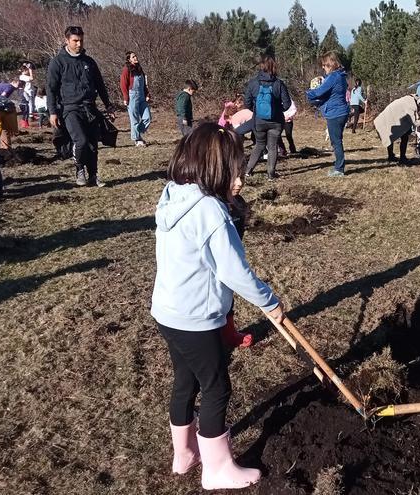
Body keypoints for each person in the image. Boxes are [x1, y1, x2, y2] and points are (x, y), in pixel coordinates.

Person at [151, 123, 284, 490]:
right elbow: (234, 272)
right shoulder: (210, 211)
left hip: (168, 312)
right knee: (216, 387)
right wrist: (270, 303)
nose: (240, 180)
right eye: (235, 171)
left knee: (185, 381)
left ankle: (185, 455)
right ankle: (218, 469)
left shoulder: (174, 195)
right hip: (196, 318)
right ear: (214, 169)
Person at [47, 26, 116, 187]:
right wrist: (52, 112)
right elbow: (51, 88)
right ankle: (79, 169)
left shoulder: (89, 62)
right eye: (75, 41)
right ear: (67, 40)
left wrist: (108, 105)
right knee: (81, 141)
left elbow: (100, 85)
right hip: (69, 108)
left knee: (92, 143)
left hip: (89, 107)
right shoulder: (57, 62)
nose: (79, 44)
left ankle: (93, 175)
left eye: (81, 40)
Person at [244, 55, 292, 181]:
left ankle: (248, 171)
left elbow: (247, 104)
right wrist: (276, 110)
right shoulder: (279, 84)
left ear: (261, 66)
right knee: (272, 147)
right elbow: (287, 105)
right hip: (276, 122)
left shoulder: (253, 83)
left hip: (258, 121)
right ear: (273, 67)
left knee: (259, 145)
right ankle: (271, 174)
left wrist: (257, 111)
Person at [306, 51, 350, 177]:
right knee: (337, 141)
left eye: (324, 65)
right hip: (341, 111)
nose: (323, 68)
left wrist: (309, 93)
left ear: (330, 64)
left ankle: (339, 169)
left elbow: (319, 92)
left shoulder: (333, 77)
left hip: (335, 113)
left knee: (336, 141)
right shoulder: (341, 76)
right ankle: (338, 165)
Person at [373, 93, 420, 164]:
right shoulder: (411, 107)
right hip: (389, 117)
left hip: (394, 115)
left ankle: (395, 156)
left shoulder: (415, 100)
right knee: (397, 135)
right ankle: (401, 158)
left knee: (400, 133)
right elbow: (414, 123)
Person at [120, 51, 152, 147]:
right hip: (132, 96)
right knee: (134, 119)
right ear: (129, 59)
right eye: (133, 57)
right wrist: (126, 98)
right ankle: (137, 139)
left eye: (136, 56)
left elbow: (144, 85)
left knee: (147, 117)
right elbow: (123, 84)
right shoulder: (126, 69)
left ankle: (137, 131)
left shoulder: (139, 69)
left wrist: (147, 94)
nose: (135, 58)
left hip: (142, 96)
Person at [19, 63, 35, 128]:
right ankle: (28, 119)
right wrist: (30, 69)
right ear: (24, 70)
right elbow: (31, 78)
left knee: (30, 105)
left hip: (29, 91)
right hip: (27, 92)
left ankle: (27, 120)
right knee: (28, 106)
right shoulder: (22, 76)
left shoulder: (25, 76)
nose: (28, 71)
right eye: (27, 70)